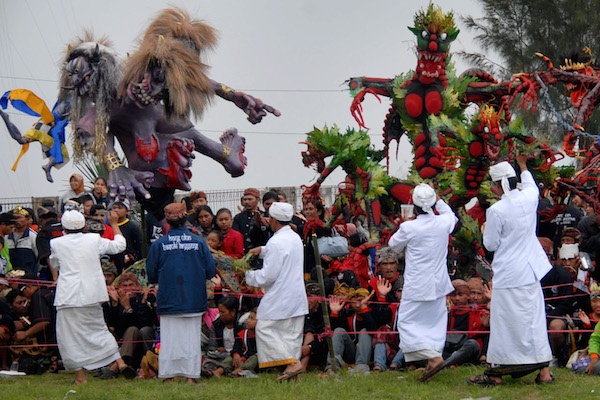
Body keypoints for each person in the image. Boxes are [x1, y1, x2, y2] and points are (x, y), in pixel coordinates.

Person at [467, 155, 554, 386]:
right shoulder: (530, 196)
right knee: (533, 320)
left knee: (504, 323)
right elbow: (530, 183)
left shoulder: (497, 210)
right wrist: (523, 164)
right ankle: (544, 372)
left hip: (510, 273)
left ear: (498, 185)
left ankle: (495, 374)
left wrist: (485, 228)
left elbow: (490, 244)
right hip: (530, 271)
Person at [49, 209, 134, 385]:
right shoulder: (93, 239)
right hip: (92, 293)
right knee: (99, 329)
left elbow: (55, 263)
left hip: (69, 296)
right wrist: (115, 224)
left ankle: (80, 377)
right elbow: (119, 246)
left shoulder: (56, 243)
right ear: (84, 225)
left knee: (69, 336)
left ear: (64, 227)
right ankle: (120, 362)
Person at [388, 182, 457, 382]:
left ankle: (434, 358)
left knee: (406, 322)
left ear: (415, 205)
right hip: (438, 283)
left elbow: (393, 244)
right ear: (433, 203)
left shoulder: (409, 227)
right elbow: (451, 215)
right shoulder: (443, 222)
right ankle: (432, 359)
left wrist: (407, 222)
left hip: (417, 284)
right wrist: (439, 200)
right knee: (434, 323)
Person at [146, 202, 216, 384]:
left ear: (167, 221)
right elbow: (210, 271)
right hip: (194, 299)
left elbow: (151, 274)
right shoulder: (200, 242)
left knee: (169, 340)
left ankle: (168, 375)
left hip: (169, 299)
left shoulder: (159, 245)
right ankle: (192, 377)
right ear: (186, 219)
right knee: (192, 339)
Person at [246, 202, 308, 382]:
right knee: (291, 334)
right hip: (296, 295)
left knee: (264, 328)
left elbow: (268, 276)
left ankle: (293, 364)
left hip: (280, 295)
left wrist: (248, 276)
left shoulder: (275, 241)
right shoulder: (294, 237)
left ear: (273, 220)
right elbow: (283, 253)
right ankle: (292, 370)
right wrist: (263, 250)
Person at [233, 188, 270, 253]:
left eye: (250, 199)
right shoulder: (238, 218)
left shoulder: (265, 216)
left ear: (258, 200)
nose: (247, 202)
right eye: (245, 199)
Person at [110, 200, 142, 273]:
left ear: (126, 211)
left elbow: (139, 244)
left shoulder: (133, 226)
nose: (116, 210)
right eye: (114, 208)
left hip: (128, 260)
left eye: (119, 208)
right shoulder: (108, 226)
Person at [6, 206, 39, 276]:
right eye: (14, 218)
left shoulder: (33, 236)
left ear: (28, 219)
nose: (16, 221)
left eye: (19, 218)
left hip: (28, 276)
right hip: (11, 276)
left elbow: (38, 257)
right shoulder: (7, 236)